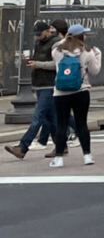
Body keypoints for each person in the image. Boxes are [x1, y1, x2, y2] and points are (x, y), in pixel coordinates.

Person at [49, 24, 102, 168]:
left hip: (60, 93)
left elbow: (58, 48)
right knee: (81, 124)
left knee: (61, 124)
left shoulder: (57, 51)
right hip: (81, 91)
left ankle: (59, 158)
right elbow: (95, 71)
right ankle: (87, 156)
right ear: (81, 36)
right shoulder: (87, 53)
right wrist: (98, 55)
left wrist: (66, 39)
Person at [5, 21, 59, 161]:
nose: (37, 37)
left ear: (48, 31)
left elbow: (57, 64)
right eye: (36, 35)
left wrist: (38, 64)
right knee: (51, 118)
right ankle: (61, 146)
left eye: (40, 34)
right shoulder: (39, 43)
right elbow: (39, 59)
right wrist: (31, 61)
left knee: (38, 117)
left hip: (49, 85)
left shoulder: (56, 43)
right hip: (40, 84)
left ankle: (22, 147)